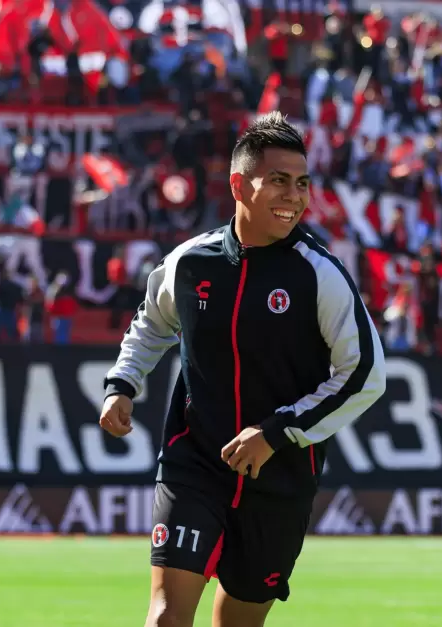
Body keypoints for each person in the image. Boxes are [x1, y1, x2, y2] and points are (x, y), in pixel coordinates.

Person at [99, 112, 386, 627]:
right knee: (165, 617)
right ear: (239, 184)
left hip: (279, 478)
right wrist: (122, 384)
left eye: (302, 184)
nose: (294, 196)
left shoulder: (321, 274)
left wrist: (276, 433)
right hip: (195, 464)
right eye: (278, 181)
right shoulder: (189, 263)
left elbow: (365, 372)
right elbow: (151, 325)